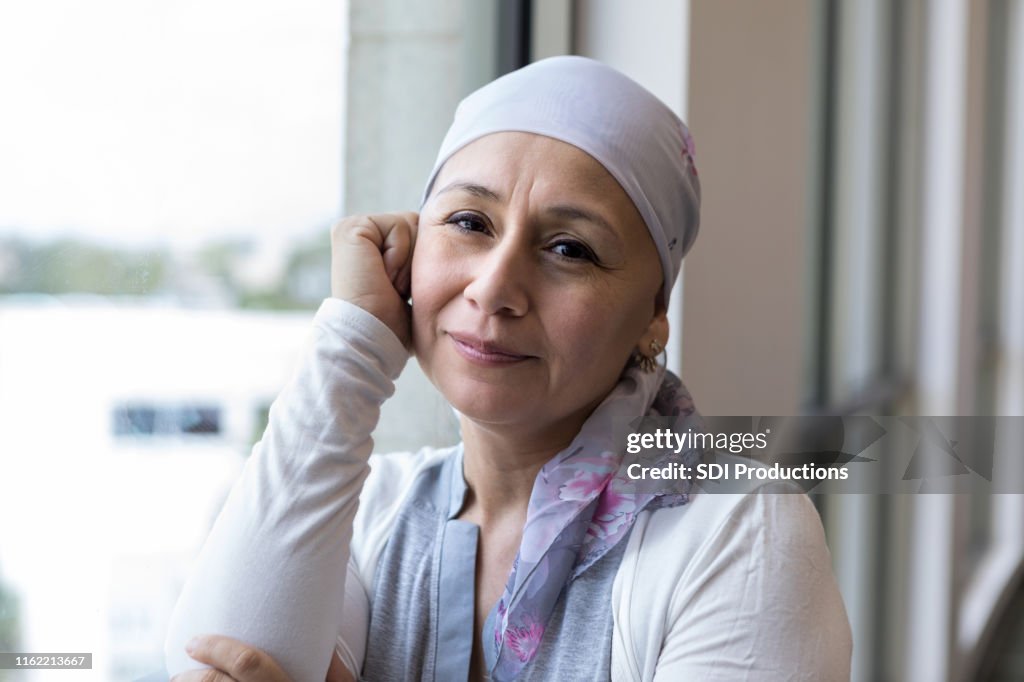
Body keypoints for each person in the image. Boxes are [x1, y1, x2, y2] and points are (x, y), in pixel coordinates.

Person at [163, 56, 852, 682]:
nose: (494, 289)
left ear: (652, 314)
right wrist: (353, 346)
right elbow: (214, 656)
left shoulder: (737, 529)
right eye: (468, 222)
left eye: (571, 249)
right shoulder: (373, 512)